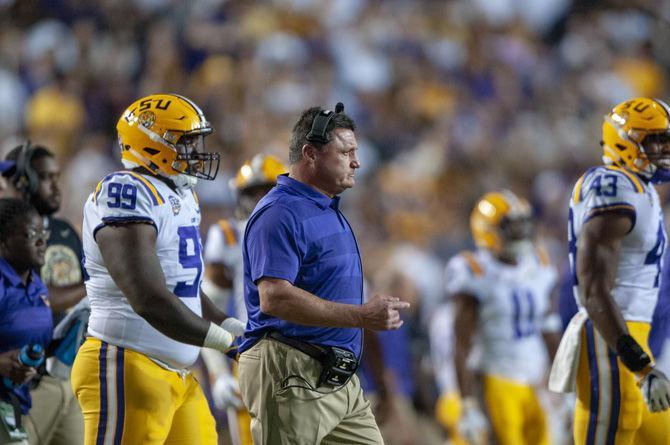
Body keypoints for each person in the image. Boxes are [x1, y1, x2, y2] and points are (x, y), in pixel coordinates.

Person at [71, 93, 243, 445]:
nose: (196, 153)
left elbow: (184, 286)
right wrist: (226, 344)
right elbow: (148, 297)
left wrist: (231, 325)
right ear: (151, 145)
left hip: (176, 373)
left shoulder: (180, 195)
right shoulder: (124, 191)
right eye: (186, 143)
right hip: (126, 362)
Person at [237, 103, 410, 445]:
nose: (356, 162)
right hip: (291, 371)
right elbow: (274, 297)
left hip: (338, 378)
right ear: (310, 154)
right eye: (346, 152)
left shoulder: (327, 208)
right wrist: (361, 316)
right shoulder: (279, 212)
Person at [551, 97, 670, 444]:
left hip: (633, 330)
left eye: (665, 139)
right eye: (653, 140)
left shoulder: (641, 189)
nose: (662, 148)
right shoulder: (614, 186)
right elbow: (593, 289)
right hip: (612, 332)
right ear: (624, 141)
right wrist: (640, 364)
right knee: (609, 429)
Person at [447, 190, 561, 445]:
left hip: (536, 378)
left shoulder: (539, 264)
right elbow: (461, 344)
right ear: (488, 229)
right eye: (511, 226)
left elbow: (549, 327)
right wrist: (467, 404)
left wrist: (564, 384)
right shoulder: (474, 270)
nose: (521, 232)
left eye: (523, 224)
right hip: (496, 378)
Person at [201, 153, 287, 445]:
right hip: (254, 359)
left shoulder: (310, 232)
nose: (261, 201)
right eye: (253, 193)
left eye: (268, 191)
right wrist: (218, 374)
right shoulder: (228, 237)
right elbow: (207, 312)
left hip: (305, 360)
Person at [5, 142, 85, 445]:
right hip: (26, 379)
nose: (55, 186)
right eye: (46, 177)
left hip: (70, 374)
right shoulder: (9, 237)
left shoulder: (65, 231)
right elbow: (35, 300)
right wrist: (94, 288)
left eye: (57, 176)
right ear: (22, 181)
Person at [0, 199, 52, 444]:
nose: (42, 241)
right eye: (32, 234)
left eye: (44, 232)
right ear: (4, 239)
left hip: (18, 402)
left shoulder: (35, 283)